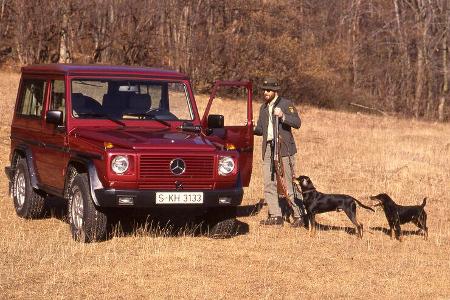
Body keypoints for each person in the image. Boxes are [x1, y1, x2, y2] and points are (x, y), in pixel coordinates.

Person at [254, 77, 302, 226]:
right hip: (268, 147)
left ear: (275, 91)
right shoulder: (263, 108)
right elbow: (261, 130)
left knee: (287, 183)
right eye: (264, 90)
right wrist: (251, 128)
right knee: (269, 182)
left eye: (268, 90)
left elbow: (297, 123)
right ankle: (276, 216)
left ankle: (299, 214)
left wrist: (283, 116)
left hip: (284, 148)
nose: (265, 92)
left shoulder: (286, 104)